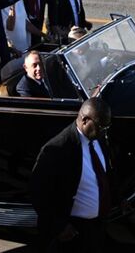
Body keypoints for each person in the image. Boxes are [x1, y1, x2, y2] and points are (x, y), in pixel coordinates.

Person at [30, 98, 114, 252]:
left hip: (96, 228)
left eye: (107, 126)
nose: (104, 131)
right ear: (84, 120)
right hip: (71, 232)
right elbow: (39, 194)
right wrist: (59, 227)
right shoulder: (57, 149)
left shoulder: (98, 139)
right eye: (101, 126)